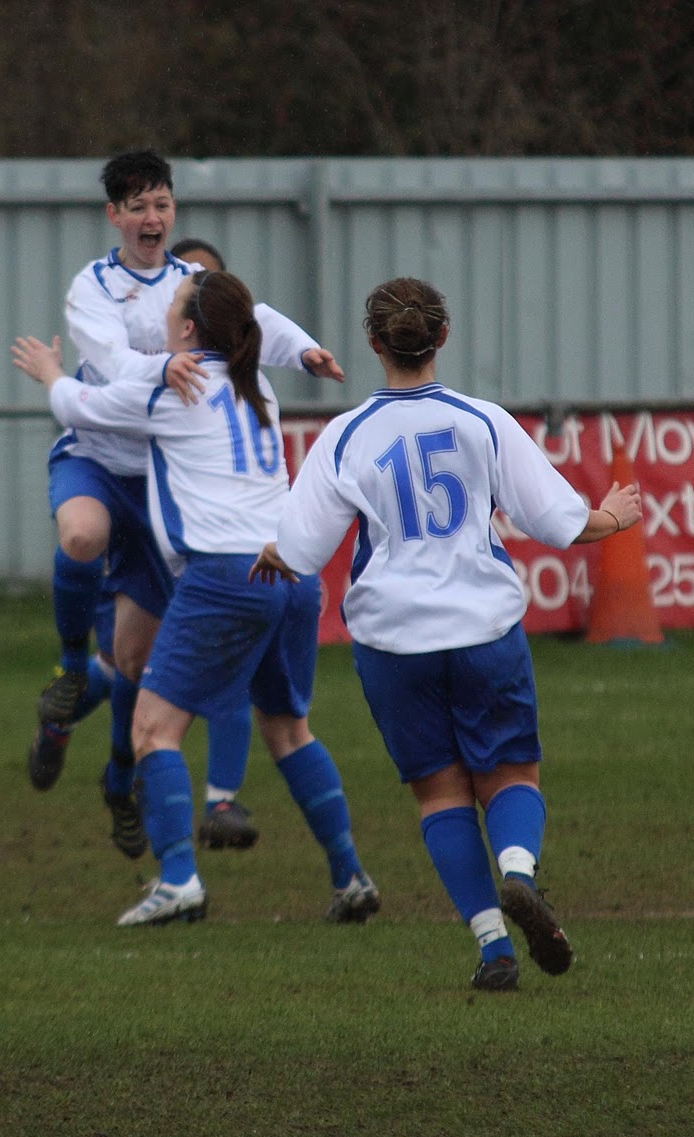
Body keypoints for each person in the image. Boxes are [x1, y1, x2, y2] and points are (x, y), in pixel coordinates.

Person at [255, 276, 643, 989]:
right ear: (443, 337)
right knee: (511, 774)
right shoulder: (482, 421)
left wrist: (274, 553)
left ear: (374, 344)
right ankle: (518, 873)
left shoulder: (343, 436)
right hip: (482, 626)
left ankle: (493, 947)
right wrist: (612, 516)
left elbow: (302, 552)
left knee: (440, 794)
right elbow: (560, 522)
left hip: (393, 640)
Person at [14, 269, 377, 927]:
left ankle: (179, 878)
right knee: (289, 730)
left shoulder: (173, 391)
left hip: (226, 576)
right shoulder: (255, 383)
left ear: (185, 330)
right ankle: (350, 874)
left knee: (154, 728)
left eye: (174, 309)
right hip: (291, 577)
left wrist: (46, 371)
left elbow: (78, 409)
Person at [31, 152, 346, 865]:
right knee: (81, 533)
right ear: (114, 215)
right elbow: (108, 364)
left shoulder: (193, 286)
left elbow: (253, 319)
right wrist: (160, 368)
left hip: (166, 480)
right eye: (139, 207)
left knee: (139, 661)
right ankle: (69, 667)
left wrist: (306, 353)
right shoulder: (94, 286)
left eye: (163, 205)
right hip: (102, 457)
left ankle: (119, 778)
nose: (153, 219)